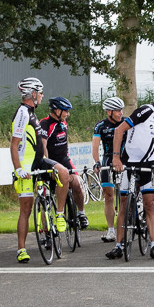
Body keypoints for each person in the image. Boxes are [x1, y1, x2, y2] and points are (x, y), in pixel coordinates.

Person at [107, 85, 154, 260]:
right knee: (124, 204)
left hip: (148, 166)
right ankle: (118, 245)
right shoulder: (146, 111)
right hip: (129, 163)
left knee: (150, 205)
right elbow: (119, 130)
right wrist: (116, 158)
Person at [11, 77, 69, 264]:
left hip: (39, 161)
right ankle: (21, 249)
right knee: (26, 209)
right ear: (33, 93)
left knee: (64, 173)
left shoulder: (32, 113)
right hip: (26, 167)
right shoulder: (23, 113)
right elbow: (14, 145)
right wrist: (18, 169)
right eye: (40, 92)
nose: (42, 96)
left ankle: (59, 214)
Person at [40, 96, 88, 230]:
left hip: (64, 159)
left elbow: (65, 141)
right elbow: (43, 147)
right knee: (46, 197)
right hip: (51, 161)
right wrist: (49, 166)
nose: (68, 114)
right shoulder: (45, 124)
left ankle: (81, 213)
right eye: (66, 111)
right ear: (57, 110)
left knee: (77, 183)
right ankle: (47, 230)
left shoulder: (63, 122)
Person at [92, 97, 125, 242]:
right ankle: (111, 230)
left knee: (125, 194)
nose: (120, 113)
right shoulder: (100, 126)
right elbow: (95, 146)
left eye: (121, 110)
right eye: (117, 110)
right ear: (109, 112)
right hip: (107, 159)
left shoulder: (126, 122)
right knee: (108, 195)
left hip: (124, 159)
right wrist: (97, 162)